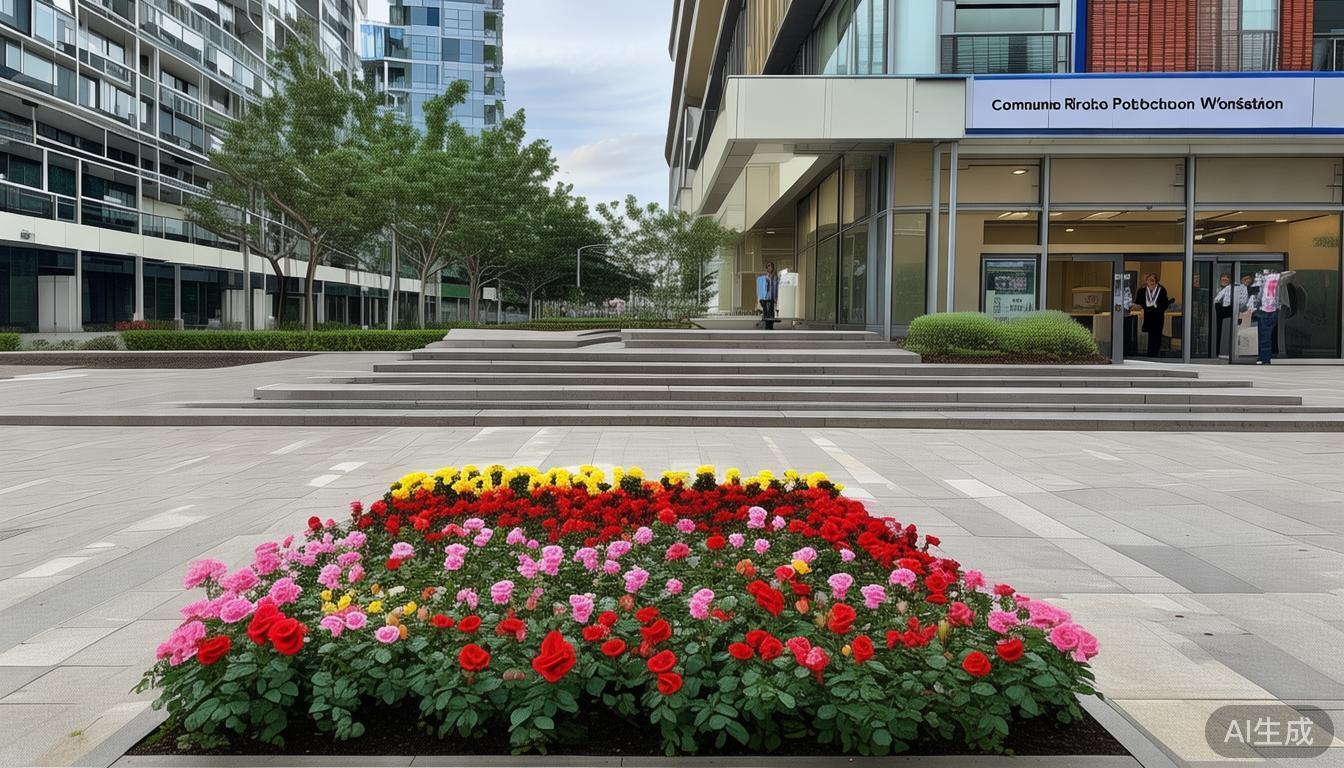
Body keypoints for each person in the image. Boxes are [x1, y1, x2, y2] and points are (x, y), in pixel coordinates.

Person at [1133, 273, 1172, 358]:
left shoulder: (1161, 290)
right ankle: (1148, 355)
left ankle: (1154, 355)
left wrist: (1157, 308)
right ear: (1146, 281)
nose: (1151, 282)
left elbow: (1165, 304)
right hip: (1147, 317)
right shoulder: (1141, 291)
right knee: (1149, 336)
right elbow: (1137, 304)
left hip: (1158, 317)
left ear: (1156, 281)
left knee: (1156, 337)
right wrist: (1140, 308)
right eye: (1149, 280)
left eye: (1153, 280)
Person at [1212, 273, 1249, 356]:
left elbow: (1242, 304)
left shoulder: (1232, 288)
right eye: (1223, 277)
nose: (1225, 279)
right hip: (1220, 314)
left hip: (1228, 314)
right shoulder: (1218, 288)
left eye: (1227, 277)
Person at [756, 262, 779, 330]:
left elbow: (775, 288)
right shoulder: (763, 278)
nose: (770, 268)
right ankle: (767, 326)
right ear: (766, 268)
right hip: (764, 298)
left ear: (773, 268)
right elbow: (760, 288)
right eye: (768, 266)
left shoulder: (774, 278)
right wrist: (759, 298)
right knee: (766, 312)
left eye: (771, 267)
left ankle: (770, 326)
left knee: (771, 312)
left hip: (771, 298)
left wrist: (776, 298)